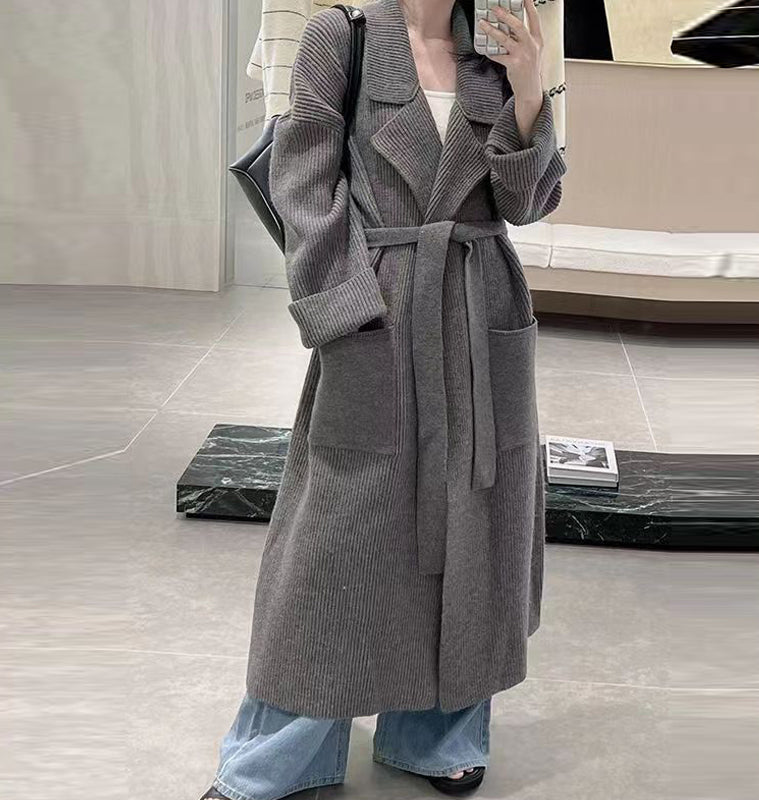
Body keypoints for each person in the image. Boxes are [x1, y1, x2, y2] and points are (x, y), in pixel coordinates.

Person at [200, 0, 566, 797]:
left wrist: (531, 91)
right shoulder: (343, 37)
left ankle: (438, 737)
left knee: (475, 528)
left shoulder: (498, 48)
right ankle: (278, 759)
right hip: (378, 307)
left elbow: (525, 205)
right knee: (336, 542)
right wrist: (345, 314)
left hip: (479, 310)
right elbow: (303, 185)